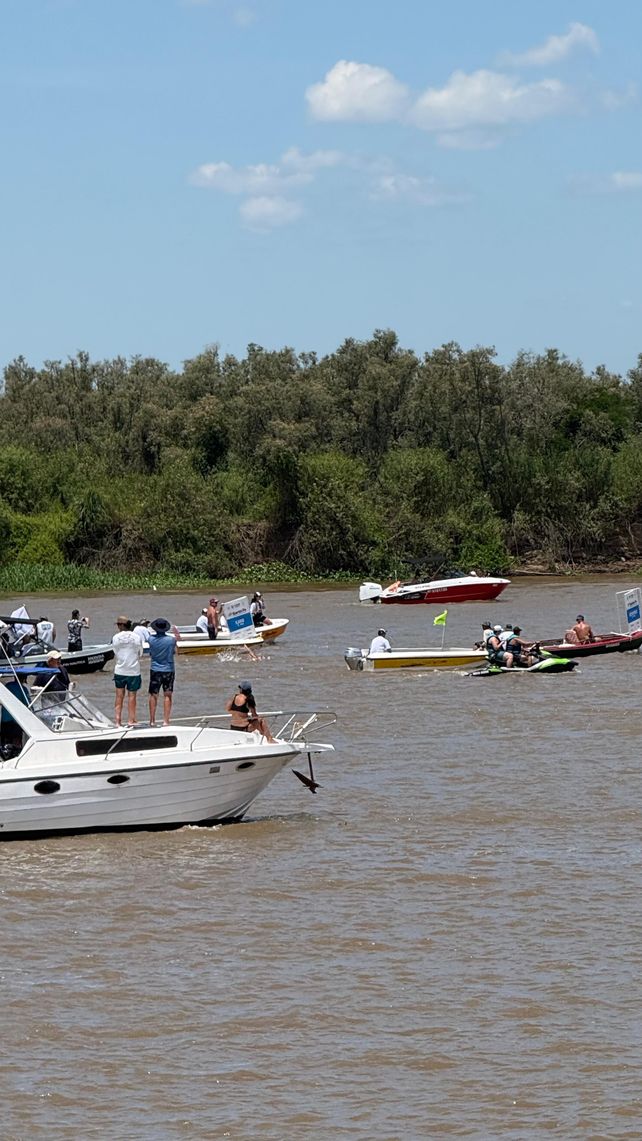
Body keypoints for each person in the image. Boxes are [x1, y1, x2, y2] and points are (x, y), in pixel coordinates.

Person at [112, 615, 143, 727]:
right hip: (133, 670)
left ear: (121, 625)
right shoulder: (136, 637)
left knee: (119, 696)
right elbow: (140, 652)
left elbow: (115, 651)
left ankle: (117, 721)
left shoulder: (115, 637)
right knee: (132, 696)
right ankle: (131, 720)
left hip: (120, 669)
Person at [147, 618, 178, 727]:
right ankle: (166, 721)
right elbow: (175, 652)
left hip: (155, 669)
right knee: (168, 695)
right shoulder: (171, 640)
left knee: (153, 694)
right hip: (168, 669)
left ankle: (152, 720)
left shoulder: (150, 639)